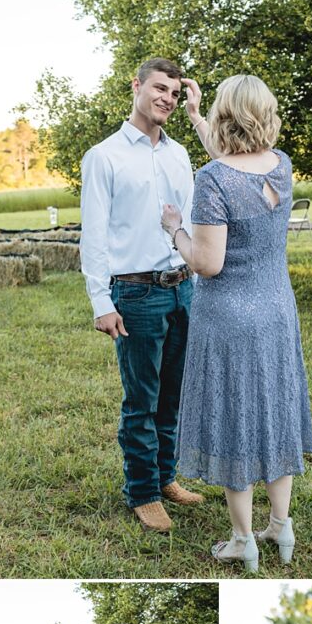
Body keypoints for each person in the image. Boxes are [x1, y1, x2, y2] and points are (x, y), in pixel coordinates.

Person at [161, 74, 312, 570]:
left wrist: (175, 231)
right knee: (274, 414)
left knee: (235, 420)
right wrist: (195, 117)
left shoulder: (212, 179)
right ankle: (281, 527)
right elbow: (233, 161)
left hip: (228, 316)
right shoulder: (280, 166)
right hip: (276, 311)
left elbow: (207, 263)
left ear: (228, 116)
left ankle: (243, 538)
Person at [80, 58, 214, 533]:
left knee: (173, 395)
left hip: (183, 290)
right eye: (159, 89)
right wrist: (102, 302)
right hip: (135, 293)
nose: (168, 99)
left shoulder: (180, 154)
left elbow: (196, 218)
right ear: (136, 87)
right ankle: (142, 493)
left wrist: (198, 284)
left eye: (175, 94)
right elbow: (93, 235)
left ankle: (165, 477)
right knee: (141, 399)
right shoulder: (105, 156)